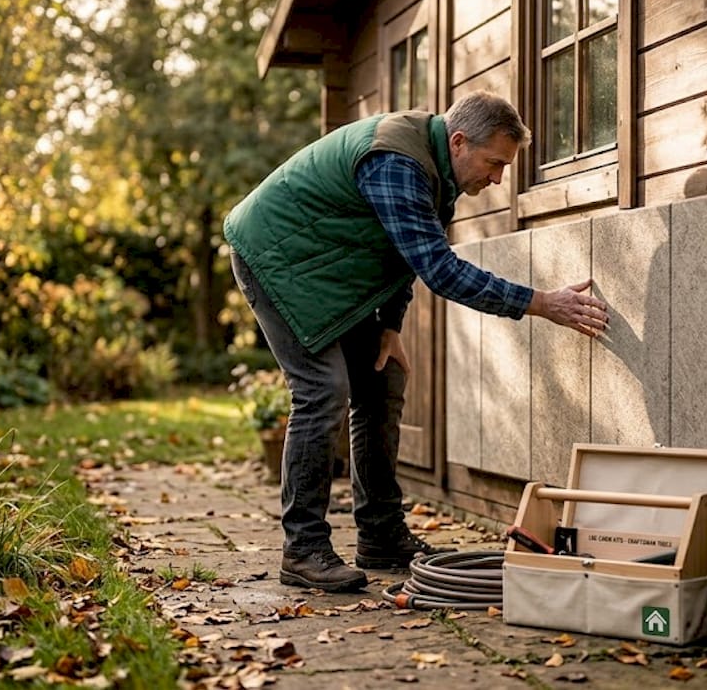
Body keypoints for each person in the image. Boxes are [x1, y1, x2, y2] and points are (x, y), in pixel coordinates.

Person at [223, 91, 609, 592]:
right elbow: (439, 269)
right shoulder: (397, 162)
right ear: (458, 140)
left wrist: (390, 327)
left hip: (329, 266)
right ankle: (303, 549)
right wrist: (540, 302)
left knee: (384, 379)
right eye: (494, 164)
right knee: (321, 391)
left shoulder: (435, 170)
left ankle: (381, 535)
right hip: (273, 257)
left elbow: (403, 252)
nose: (496, 179)